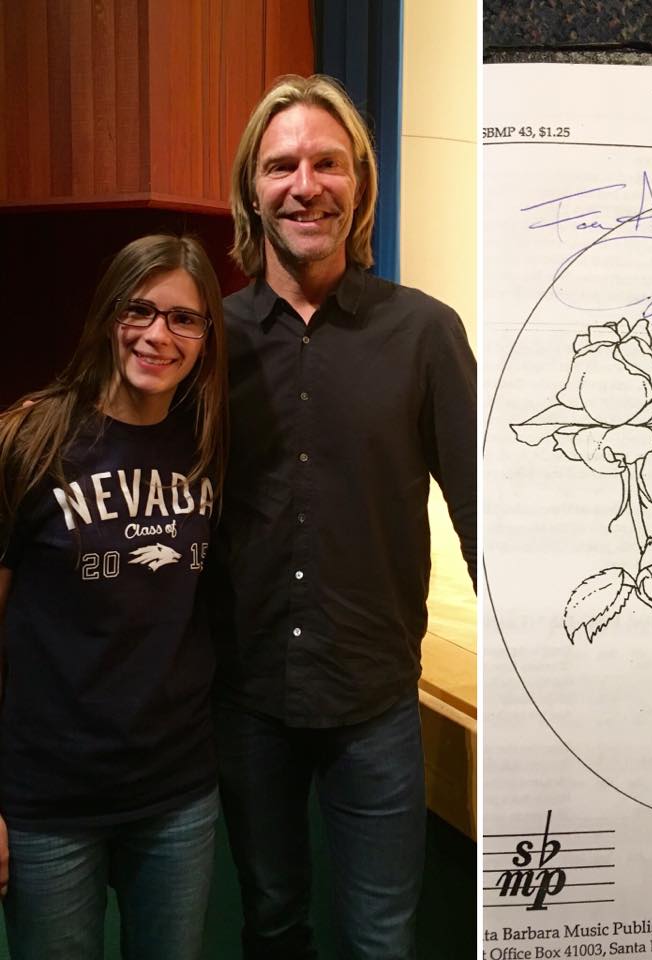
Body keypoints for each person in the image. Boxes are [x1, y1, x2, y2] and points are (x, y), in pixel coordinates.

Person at [209, 73, 476, 959]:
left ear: (359, 183)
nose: (306, 185)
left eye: (328, 163)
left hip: (375, 702)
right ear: (252, 189)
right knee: (271, 926)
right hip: (248, 698)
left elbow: (481, 511)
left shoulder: (426, 334)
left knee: (381, 941)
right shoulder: (208, 339)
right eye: (281, 165)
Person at [0, 234, 228, 960]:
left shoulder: (210, 445)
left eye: (184, 319)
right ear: (108, 315)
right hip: (48, 801)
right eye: (140, 310)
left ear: (205, 337)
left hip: (175, 794)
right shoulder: (29, 439)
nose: (159, 335)